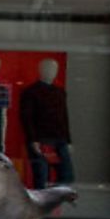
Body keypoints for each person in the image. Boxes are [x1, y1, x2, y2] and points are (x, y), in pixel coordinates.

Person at [19, 58, 73, 188]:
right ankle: (42, 201)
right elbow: (27, 117)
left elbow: (64, 116)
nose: (51, 72)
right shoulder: (30, 92)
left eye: (54, 69)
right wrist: (33, 139)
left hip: (59, 138)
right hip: (41, 139)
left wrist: (68, 140)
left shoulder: (60, 92)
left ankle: (57, 198)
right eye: (47, 68)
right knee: (41, 175)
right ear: (40, 70)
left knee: (66, 174)